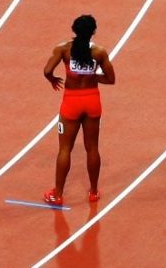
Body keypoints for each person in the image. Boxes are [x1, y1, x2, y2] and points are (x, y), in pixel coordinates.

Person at [43, 15, 115, 205]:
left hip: (71, 102)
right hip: (92, 100)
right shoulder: (99, 52)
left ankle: (58, 194)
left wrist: (53, 80)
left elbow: (47, 71)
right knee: (92, 148)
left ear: (74, 30)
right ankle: (93, 192)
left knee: (65, 149)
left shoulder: (63, 49)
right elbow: (111, 79)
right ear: (93, 32)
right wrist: (92, 77)